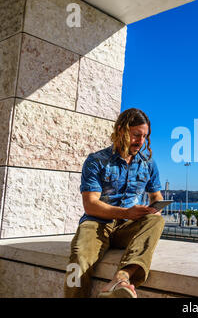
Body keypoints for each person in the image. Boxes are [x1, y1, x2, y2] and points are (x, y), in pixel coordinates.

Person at [64, 108, 165, 298]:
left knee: (157, 221)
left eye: (145, 136)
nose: (141, 142)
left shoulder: (148, 163)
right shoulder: (96, 161)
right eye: (136, 135)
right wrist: (126, 213)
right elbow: (91, 204)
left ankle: (121, 277)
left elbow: (156, 196)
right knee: (77, 262)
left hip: (128, 227)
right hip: (97, 224)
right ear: (121, 130)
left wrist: (156, 208)